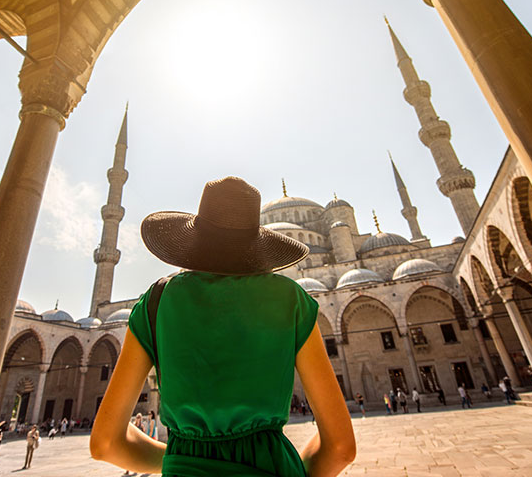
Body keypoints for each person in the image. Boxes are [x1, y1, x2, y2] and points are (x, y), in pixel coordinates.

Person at [90, 177, 356, 477]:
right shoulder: (290, 298)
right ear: (255, 242)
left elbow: (106, 443)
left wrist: (187, 461)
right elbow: (340, 447)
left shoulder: (156, 302)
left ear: (194, 238)